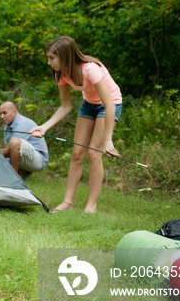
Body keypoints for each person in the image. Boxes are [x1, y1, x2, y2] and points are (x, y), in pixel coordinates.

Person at [31, 36, 122, 214]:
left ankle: (91, 206)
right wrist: (44, 127)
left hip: (109, 104)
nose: (49, 62)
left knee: (94, 153)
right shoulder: (60, 73)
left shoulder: (91, 70)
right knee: (77, 153)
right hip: (88, 105)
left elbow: (109, 103)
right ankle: (67, 202)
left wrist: (108, 140)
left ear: (65, 56)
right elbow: (66, 106)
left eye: (52, 58)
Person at [0, 101, 49, 178]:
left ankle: (13, 179)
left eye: (5, 113)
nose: (2, 116)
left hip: (38, 161)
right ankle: (20, 174)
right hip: (25, 157)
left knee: (15, 142)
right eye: (0, 114)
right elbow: (6, 149)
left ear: (14, 112)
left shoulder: (22, 123)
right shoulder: (7, 127)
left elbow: (8, 151)